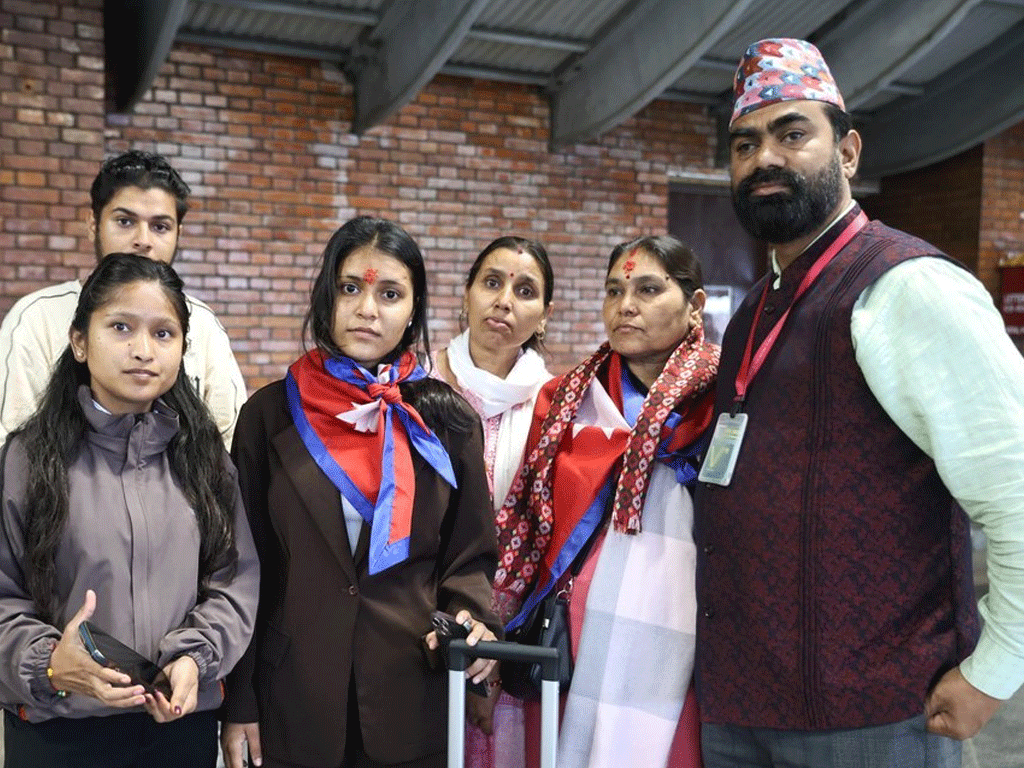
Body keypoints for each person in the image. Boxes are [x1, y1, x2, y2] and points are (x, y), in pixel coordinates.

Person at [695, 38, 1024, 768]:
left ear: (847, 153)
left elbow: (1018, 487)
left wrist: (997, 670)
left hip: (876, 719)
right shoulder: (755, 310)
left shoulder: (909, 287)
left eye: (792, 134)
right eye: (745, 144)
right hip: (741, 708)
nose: (764, 158)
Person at [221, 216, 501, 768]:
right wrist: (240, 702)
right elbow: (243, 569)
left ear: (414, 310)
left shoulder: (447, 423)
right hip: (292, 699)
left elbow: (469, 556)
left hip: (411, 696)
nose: (367, 309)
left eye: (389, 294)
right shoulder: (269, 416)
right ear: (326, 297)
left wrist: (472, 619)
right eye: (350, 288)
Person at [0, 253, 259, 767]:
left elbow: (234, 581)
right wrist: (48, 662)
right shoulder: (29, 459)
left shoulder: (205, 459)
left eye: (163, 333)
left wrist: (194, 657)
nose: (143, 350)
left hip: (177, 728)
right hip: (57, 731)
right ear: (79, 341)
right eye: (121, 327)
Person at [493, 235, 717, 768]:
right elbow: (530, 522)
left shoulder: (725, 401)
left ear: (695, 305)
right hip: (571, 637)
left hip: (680, 640)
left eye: (648, 290)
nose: (625, 306)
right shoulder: (566, 400)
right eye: (614, 291)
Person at [0, 150, 246, 448]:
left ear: (178, 233)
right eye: (125, 221)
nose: (143, 240)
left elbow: (228, 442)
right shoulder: (37, 318)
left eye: (160, 226)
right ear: (93, 224)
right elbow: (11, 445)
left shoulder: (204, 324)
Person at [431, 236, 554, 768]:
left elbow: (554, 535)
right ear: (467, 294)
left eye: (525, 291)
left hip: (516, 637)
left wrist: (498, 645)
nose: (504, 300)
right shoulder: (419, 384)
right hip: (420, 624)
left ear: (544, 315)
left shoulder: (558, 403)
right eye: (492, 282)